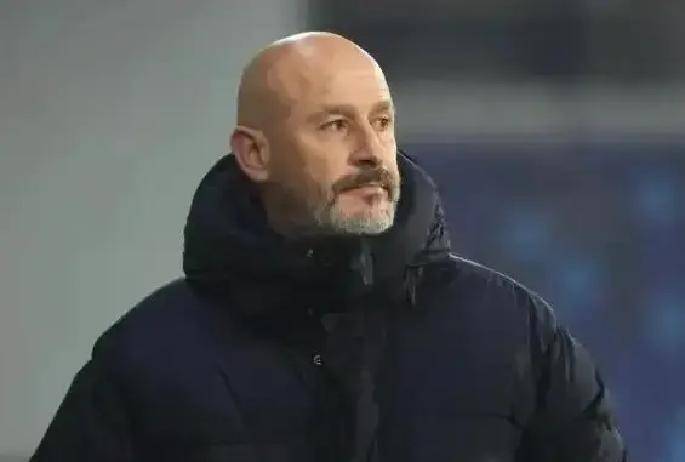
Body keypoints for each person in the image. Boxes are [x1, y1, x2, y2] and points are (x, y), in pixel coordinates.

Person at [31, 32, 626, 462]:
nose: (371, 151)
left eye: (382, 122)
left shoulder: (515, 332)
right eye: (335, 126)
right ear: (255, 154)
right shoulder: (146, 359)